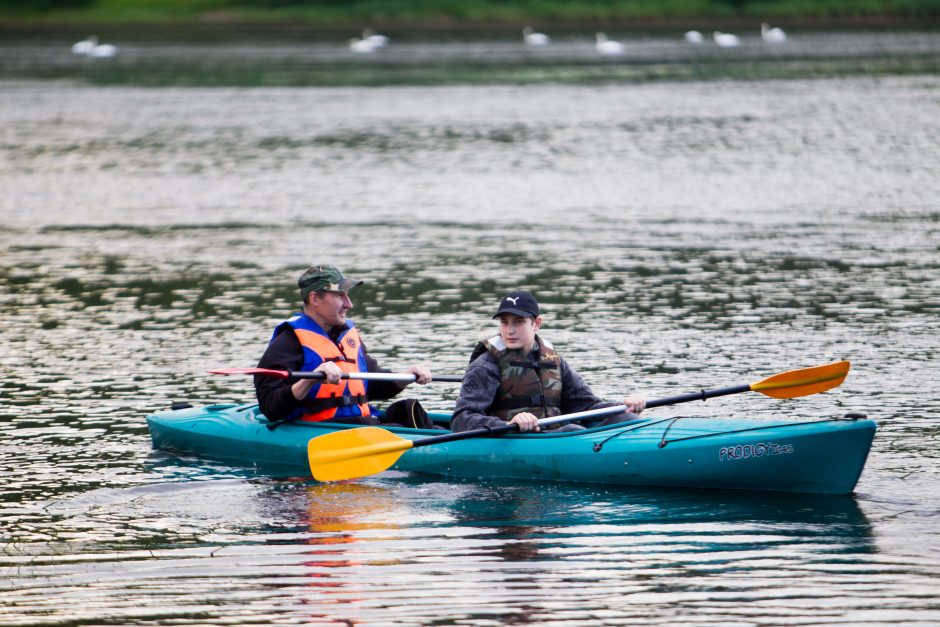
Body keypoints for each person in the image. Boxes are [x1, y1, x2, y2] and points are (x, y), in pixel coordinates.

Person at [254, 265, 432, 425]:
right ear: (315, 299)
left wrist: (406, 376)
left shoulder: (346, 336)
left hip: (363, 425)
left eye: (347, 295)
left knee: (412, 413)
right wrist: (310, 379)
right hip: (322, 431)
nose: (349, 304)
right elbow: (271, 407)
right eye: (340, 295)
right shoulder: (287, 342)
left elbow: (373, 385)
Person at [451, 290, 646, 433]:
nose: (509, 330)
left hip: (555, 435)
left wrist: (624, 405)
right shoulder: (486, 365)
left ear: (536, 323)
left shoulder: (553, 360)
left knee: (626, 418)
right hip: (518, 439)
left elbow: (586, 405)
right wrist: (508, 424)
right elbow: (461, 420)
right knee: (571, 430)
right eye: (504, 322)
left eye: (518, 322)